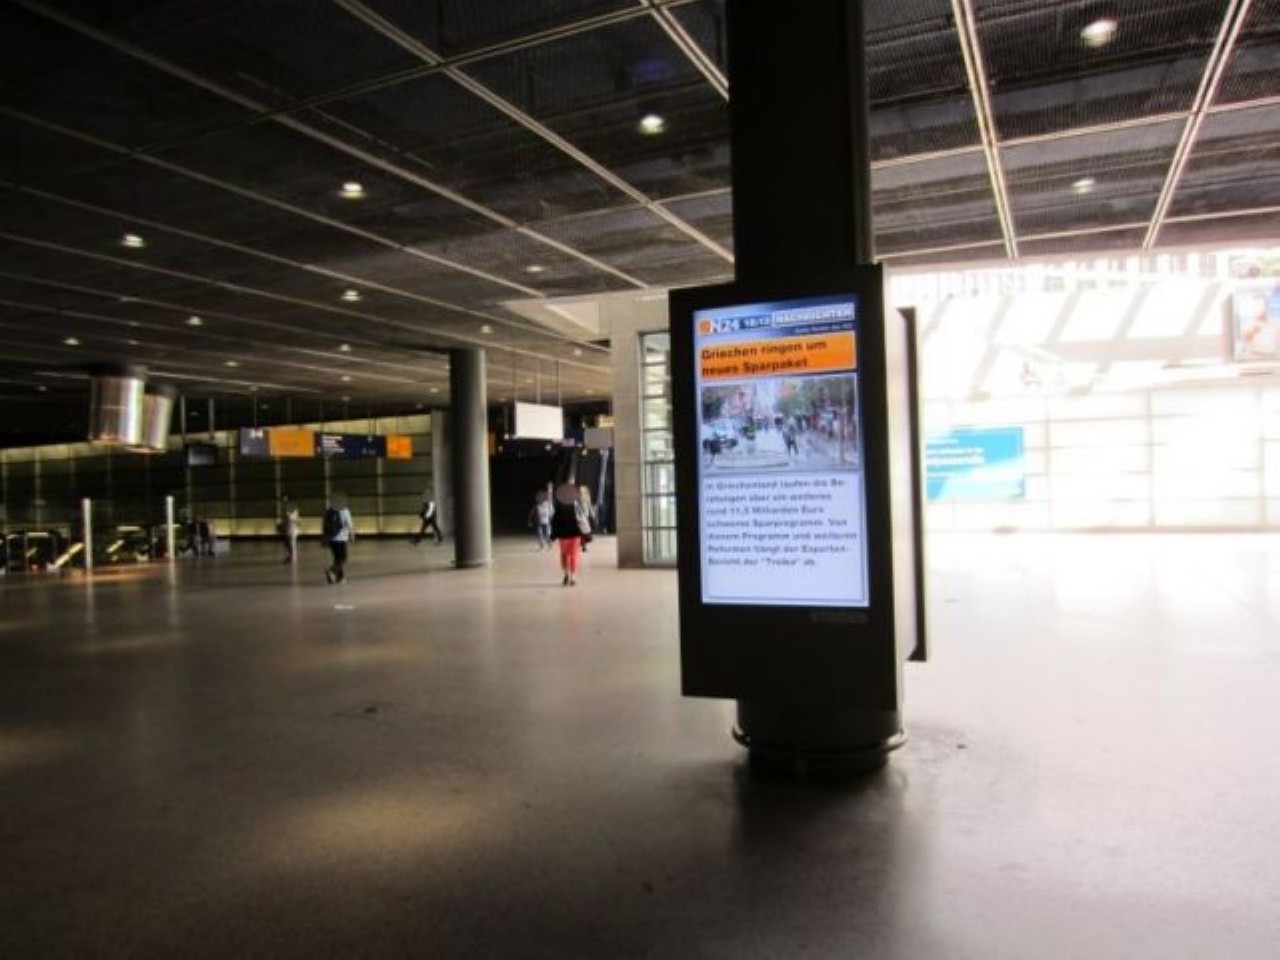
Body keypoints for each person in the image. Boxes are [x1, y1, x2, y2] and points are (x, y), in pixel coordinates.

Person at [549, 482, 589, 586]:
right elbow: (584, 516)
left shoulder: (559, 506)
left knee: (564, 555)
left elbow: (554, 521)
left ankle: (566, 574)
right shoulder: (576, 505)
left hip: (563, 536)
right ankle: (573, 577)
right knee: (574, 555)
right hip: (575, 534)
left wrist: (553, 536)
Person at [323, 497, 354, 584]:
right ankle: (332, 571)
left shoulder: (329, 511)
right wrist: (352, 535)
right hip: (341, 538)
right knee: (343, 557)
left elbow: (325, 525)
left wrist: (325, 537)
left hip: (331, 538)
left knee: (337, 558)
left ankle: (340, 577)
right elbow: (349, 524)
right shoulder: (345, 511)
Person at [529, 484, 554, 550]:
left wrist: (550, 488)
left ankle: (549, 544)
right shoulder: (537, 505)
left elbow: (550, 496)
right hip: (539, 522)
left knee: (546, 534)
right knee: (539, 534)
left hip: (546, 522)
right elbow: (532, 512)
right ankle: (541, 546)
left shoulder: (548, 504)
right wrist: (530, 520)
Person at [279, 495, 300, 564]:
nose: (283, 502)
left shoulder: (289, 509)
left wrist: (288, 516)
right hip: (290, 527)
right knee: (290, 542)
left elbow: (291, 518)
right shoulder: (288, 508)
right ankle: (292, 557)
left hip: (291, 527)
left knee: (291, 543)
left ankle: (292, 558)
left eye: (284, 500)